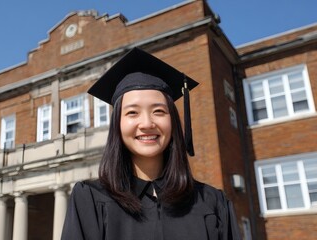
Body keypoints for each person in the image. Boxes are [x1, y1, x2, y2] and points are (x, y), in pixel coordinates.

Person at [61, 47, 241, 240]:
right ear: (117, 125)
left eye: (159, 111)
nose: (147, 123)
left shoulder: (212, 202)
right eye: (132, 112)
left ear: (173, 121)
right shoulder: (90, 199)